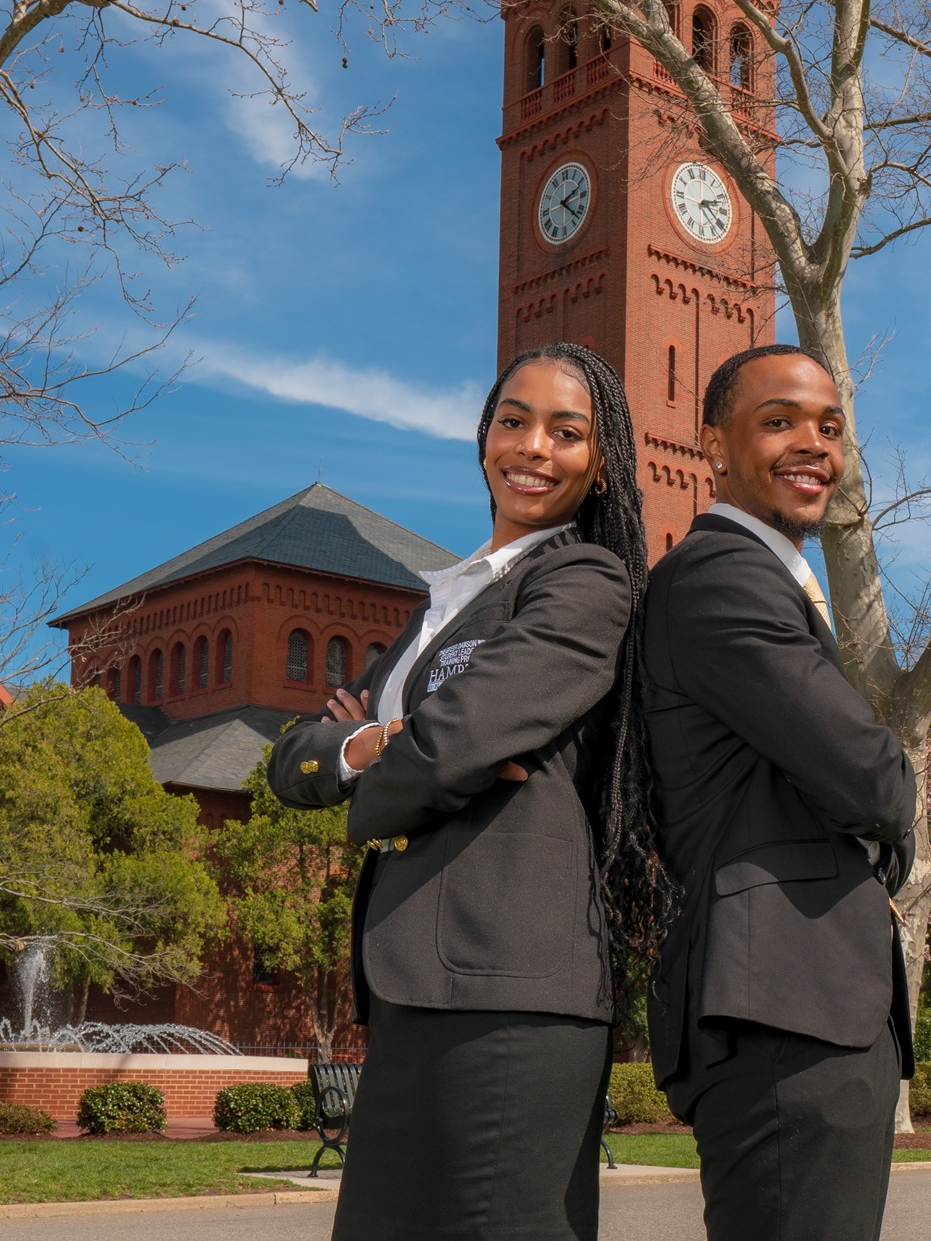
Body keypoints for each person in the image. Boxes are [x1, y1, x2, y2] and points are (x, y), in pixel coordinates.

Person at [268, 343, 663, 1241]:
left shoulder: (582, 581)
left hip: (510, 982)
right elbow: (293, 757)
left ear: (601, 464)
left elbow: (458, 740)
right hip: (415, 978)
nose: (532, 447)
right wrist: (375, 742)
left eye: (566, 433)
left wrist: (380, 766)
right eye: (513, 421)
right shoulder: (437, 607)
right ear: (483, 434)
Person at [641, 343, 918, 1241]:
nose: (813, 445)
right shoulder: (722, 576)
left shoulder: (773, 581)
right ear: (713, 443)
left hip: (806, 1012)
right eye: (779, 421)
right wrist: (883, 807)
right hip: (782, 1017)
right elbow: (873, 775)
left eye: (830, 427)